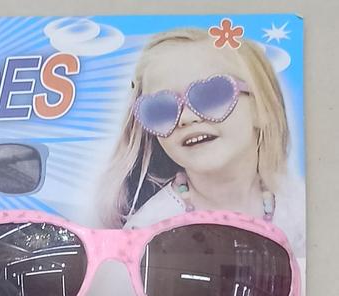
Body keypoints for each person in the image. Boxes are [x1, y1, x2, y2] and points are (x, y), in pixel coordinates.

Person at [99, 27, 303, 252]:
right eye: (160, 109)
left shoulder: (302, 206)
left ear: (261, 108)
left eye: (211, 95)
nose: (186, 118)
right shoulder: (148, 230)